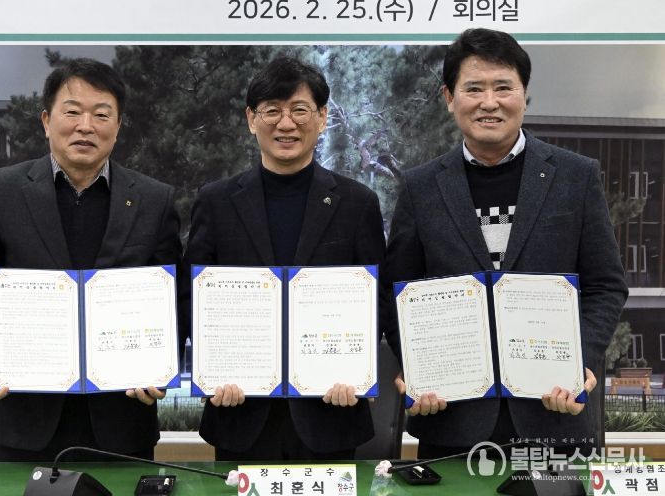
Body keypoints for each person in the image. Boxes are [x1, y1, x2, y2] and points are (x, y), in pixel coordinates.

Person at [383, 28, 628, 458]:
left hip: (554, 413)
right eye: (473, 88)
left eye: (503, 87)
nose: (489, 102)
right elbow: (397, 291)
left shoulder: (575, 176)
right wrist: (418, 369)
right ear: (449, 97)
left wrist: (581, 362)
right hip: (451, 418)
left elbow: (605, 285)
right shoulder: (421, 187)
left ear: (524, 95)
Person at [0, 58, 183, 461]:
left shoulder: (154, 199)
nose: (85, 126)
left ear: (118, 126)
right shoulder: (3, 191)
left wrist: (161, 367)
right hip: (25, 418)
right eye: (72, 112)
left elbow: (175, 297)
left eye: (101, 115)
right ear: (46, 121)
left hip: (122, 419)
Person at [183, 56, 386, 461]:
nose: (286, 124)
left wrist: (355, 368)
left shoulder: (357, 203)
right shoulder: (216, 201)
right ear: (251, 119)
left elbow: (377, 298)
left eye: (299, 110)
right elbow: (192, 294)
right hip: (239, 411)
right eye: (272, 111)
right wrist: (213, 367)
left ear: (322, 117)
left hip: (330, 411)